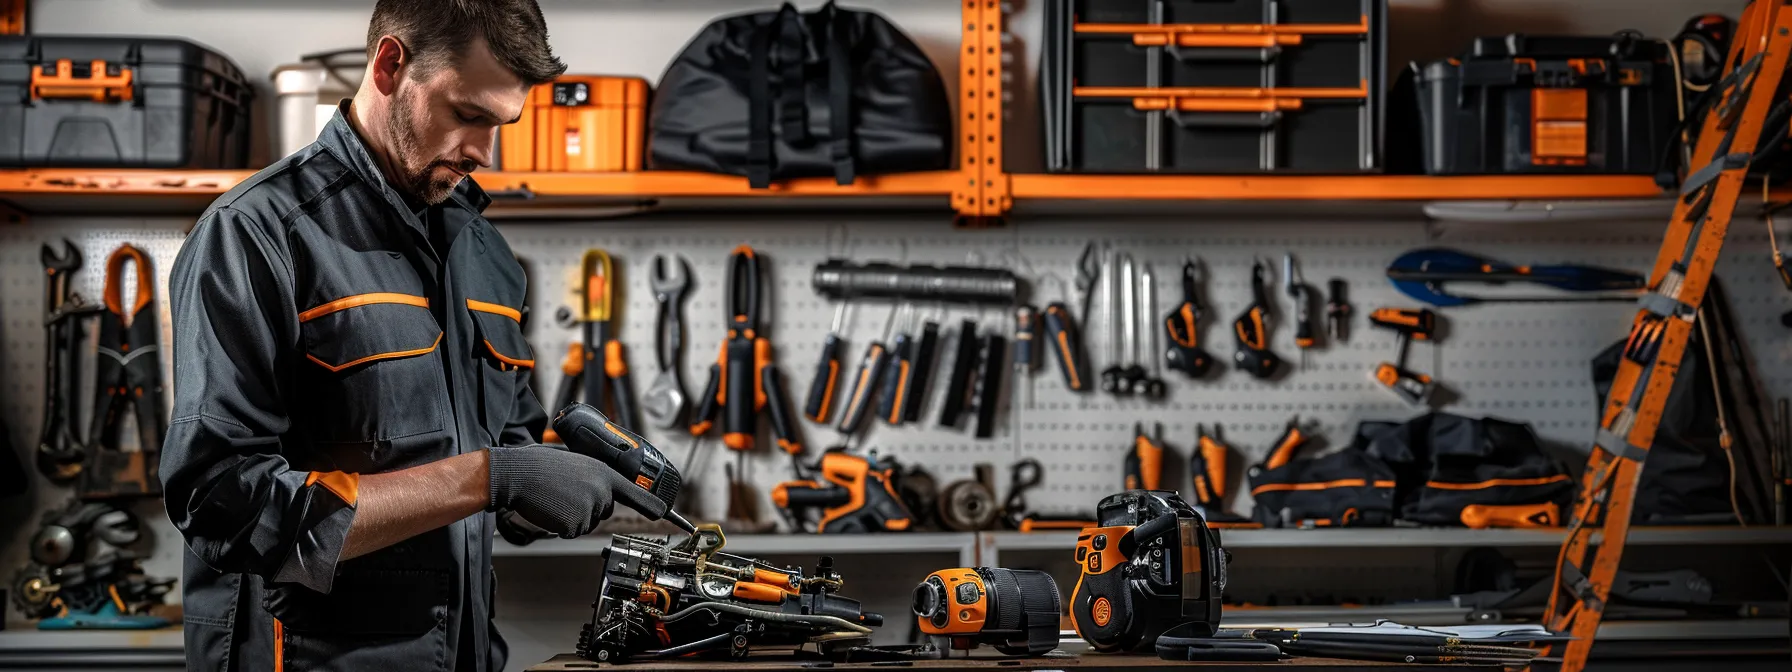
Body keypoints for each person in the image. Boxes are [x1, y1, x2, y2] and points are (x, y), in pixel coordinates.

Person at [162, 1, 628, 669]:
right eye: (468, 114)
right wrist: (491, 478)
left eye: (500, 125)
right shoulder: (257, 234)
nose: (483, 153)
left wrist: (565, 483)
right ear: (390, 64)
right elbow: (221, 502)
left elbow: (507, 463)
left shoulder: (484, 252)